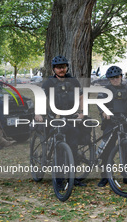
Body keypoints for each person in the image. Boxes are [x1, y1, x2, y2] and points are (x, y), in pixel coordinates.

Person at [35, 55, 85, 187]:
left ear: (67, 67)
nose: (61, 70)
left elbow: (81, 97)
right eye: (58, 68)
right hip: (55, 119)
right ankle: (59, 180)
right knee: (60, 151)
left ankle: (71, 178)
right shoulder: (48, 83)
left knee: (73, 147)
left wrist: (81, 112)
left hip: (70, 118)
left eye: (63, 67)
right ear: (53, 69)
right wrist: (38, 113)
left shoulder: (73, 81)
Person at [97, 66, 127, 187]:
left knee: (126, 150)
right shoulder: (105, 90)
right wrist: (103, 112)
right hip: (111, 122)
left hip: (126, 122)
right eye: (112, 78)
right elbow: (100, 103)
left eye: (117, 77)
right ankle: (105, 176)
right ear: (109, 79)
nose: (115, 80)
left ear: (121, 77)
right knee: (107, 149)